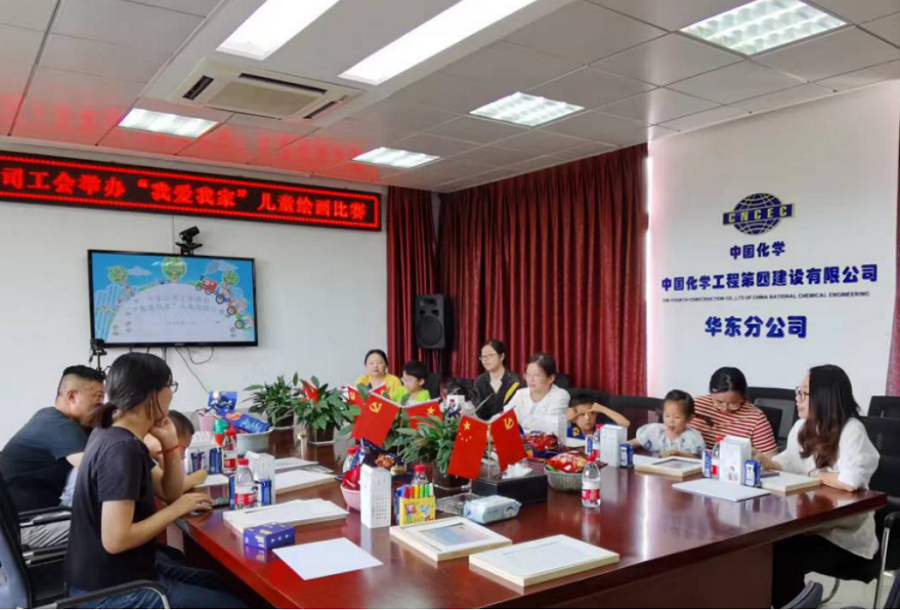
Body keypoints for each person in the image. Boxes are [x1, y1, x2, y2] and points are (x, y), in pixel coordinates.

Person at [64, 353, 247, 609]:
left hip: (124, 577)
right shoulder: (121, 449)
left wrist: (169, 443)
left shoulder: (116, 434)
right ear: (151, 394)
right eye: (169, 386)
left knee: (223, 584)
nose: (171, 394)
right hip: (111, 594)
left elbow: (169, 491)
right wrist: (177, 510)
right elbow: (116, 539)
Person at [762, 365, 880, 608]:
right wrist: (764, 461)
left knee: (783, 556)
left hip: (845, 537)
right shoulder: (802, 427)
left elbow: (850, 481)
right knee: (763, 549)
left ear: (823, 397)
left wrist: (815, 473)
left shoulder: (851, 429)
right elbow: (790, 461)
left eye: (804, 393)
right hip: (812, 526)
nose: (797, 398)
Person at [0, 365, 105, 549]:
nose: (101, 406)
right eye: (96, 398)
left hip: (31, 520)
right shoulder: (59, 425)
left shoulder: (50, 418)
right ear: (71, 396)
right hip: (22, 527)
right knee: (108, 527)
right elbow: (98, 470)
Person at [691, 367, 778, 456]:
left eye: (733, 403)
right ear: (711, 393)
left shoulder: (756, 418)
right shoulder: (695, 406)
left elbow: (771, 459)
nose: (725, 408)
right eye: (719, 402)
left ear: (743, 397)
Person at [505, 353, 570, 434]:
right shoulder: (520, 394)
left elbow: (552, 426)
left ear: (550, 378)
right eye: (528, 374)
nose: (531, 379)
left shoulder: (560, 396)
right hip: (520, 440)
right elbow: (504, 416)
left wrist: (519, 418)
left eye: (536, 375)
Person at [144, 411, 207, 491]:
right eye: (180, 449)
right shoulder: (138, 455)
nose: (182, 456)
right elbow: (171, 490)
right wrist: (195, 478)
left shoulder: (150, 459)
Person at [630, 390, 706, 457]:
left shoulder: (693, 438)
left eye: (676, 417)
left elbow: (697, 458)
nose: (671, 421)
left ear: (689, 418)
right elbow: (635, 442)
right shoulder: (655, 431)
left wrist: (678, 454)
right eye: (667, 416)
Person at [472, 340, 522, 420]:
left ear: (502, 356)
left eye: (490, 355)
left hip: (509, 424)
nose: (486, 359)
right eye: (483, 356)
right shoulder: (479, 381)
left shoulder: (515, 381)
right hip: (484, 425)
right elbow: (479, 412)